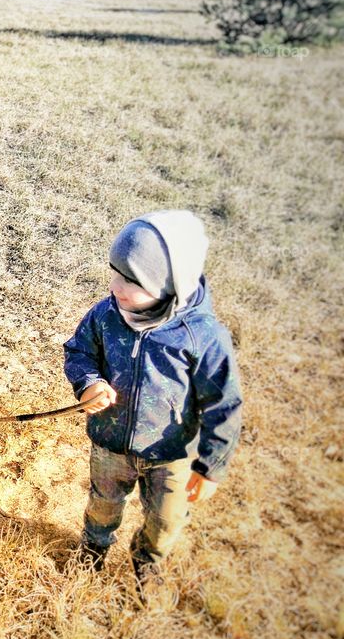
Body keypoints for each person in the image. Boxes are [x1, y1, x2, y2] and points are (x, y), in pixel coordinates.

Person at [62, 210, 242, 592]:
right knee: (102, 505)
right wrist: (89, 383)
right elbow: (79, 351)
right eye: (115, 272)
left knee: (166, 520)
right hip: (111, 444)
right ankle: (93, 549)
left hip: (172, 455)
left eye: (133, 280)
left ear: (171, 285)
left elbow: (223, 404)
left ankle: (147, 561)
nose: (116, 287)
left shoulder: (202, 336)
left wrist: (210, 467)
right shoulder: (106, 313)